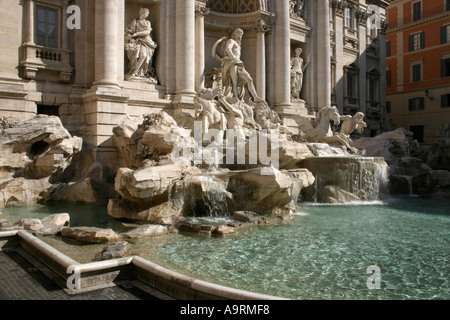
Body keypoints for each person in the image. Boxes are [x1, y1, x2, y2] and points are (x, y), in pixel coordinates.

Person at [213, 28, 263, 103]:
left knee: (249, 79)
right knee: (234, 82)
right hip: (232, 63)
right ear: (234, 34)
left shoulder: (238, 44)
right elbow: (228, 48)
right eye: (239, 34)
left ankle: (255, 97)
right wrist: (233, 57)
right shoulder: (231, 41)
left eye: (241, 34)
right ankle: (236, 98)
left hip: (239, 63)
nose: (240, 36)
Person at [125, 8, 157, 78]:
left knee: (144, 55)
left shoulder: (147, 22)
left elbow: (147, 32)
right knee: (138, 55)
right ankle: (135, 71)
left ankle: (137, 72)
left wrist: (136, 34)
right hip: (137, 41)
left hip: (146, 41)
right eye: (145, 13)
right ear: (141, 13)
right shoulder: (135, 21)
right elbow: (130, 30)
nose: (146, 15)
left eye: (147, 14)